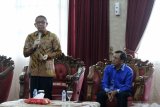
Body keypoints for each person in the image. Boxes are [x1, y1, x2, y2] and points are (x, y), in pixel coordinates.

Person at [23, 15, 62, 99]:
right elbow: (25, 53)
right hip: (34, 72)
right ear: (35, 25)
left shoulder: (53, 36)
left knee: (46, 98)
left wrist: (47, 56)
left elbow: (59, 52)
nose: (40, 24)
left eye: (42, 22)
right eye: (38, 22)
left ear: (46, 24)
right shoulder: (30, 37)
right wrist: (33, 46)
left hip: (47, 72)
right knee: (34, 98)